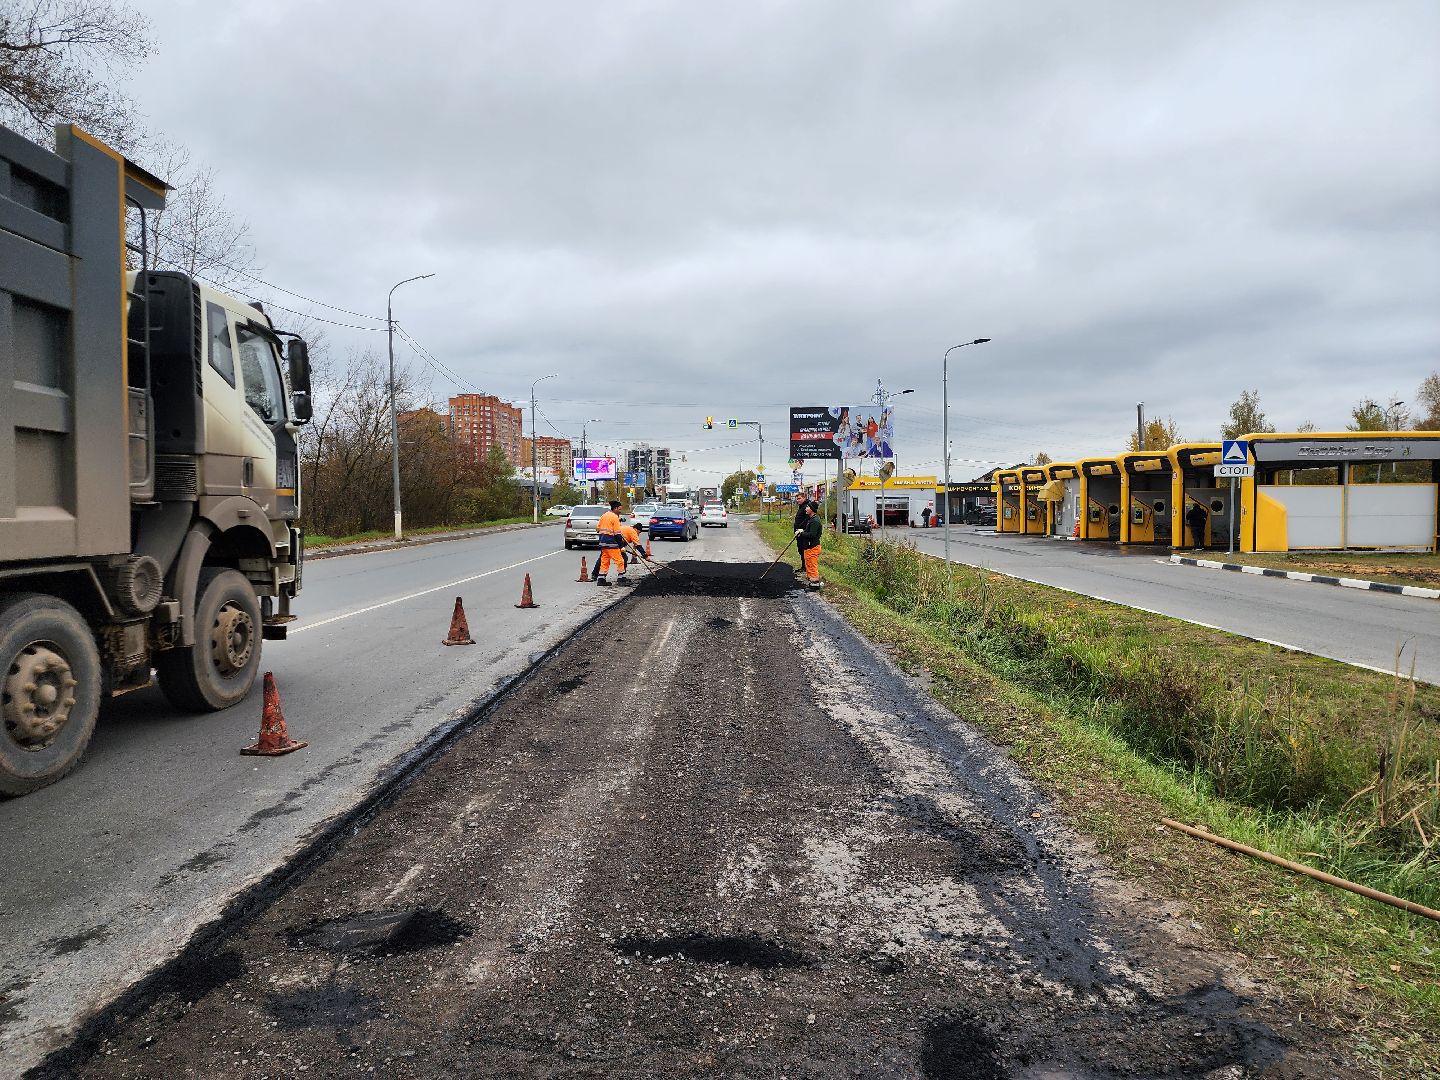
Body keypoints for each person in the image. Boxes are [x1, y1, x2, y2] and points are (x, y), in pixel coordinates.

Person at [595, 499, 625, 587]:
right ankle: (621, 578)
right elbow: (617, 534)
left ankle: (601, 579)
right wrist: (621, 546)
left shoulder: (604, 515)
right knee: (619, 560)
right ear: (615, 508)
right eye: (619, 509)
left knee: (605, 561)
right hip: (611, 542)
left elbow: (597, 529)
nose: (620, 511)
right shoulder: (614, 517)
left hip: (603, 542)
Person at [796, 500, 824, 590]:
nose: (806, 509)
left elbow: (812, 535)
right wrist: (803, 531)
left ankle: (815, 584)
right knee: (808, 564)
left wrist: (802, 533)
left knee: (812, 565)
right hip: (808, 547)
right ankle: (811, 581)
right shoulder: (811, 519)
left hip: (813, 547)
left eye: (807, 507)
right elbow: (808, 531)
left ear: (812, 509)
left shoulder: (815, 521)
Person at [615, 519, 643, 585]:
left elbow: (632, 545)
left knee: (604, 558)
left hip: (613, 542)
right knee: (623, 559)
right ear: (636, 529)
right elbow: (638, 545)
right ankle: (621, 577)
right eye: (638, 532)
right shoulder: (632, 531)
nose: (638, 534)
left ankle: (596, 575)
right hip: (616, 543)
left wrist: (634, 554)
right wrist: (644, 555)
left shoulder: (628, 529)